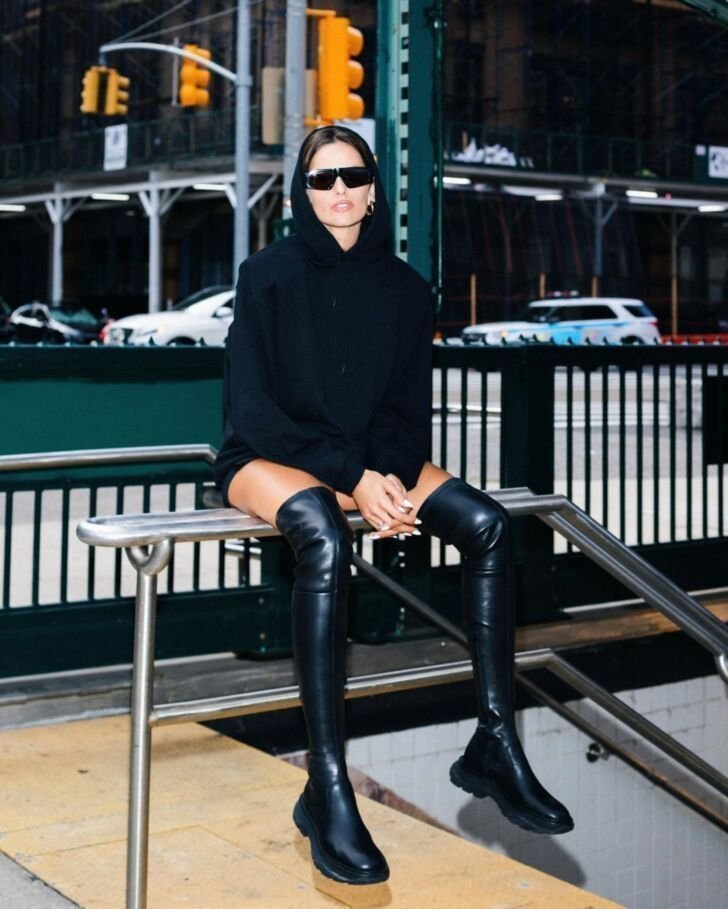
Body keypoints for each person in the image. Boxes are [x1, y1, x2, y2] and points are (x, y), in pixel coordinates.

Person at [214, 125, 573, 886]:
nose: (339, 190)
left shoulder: (407, 290)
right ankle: (327, 781)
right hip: (267, 455)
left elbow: (407, 415)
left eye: (352, 176)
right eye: (322, 179)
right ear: (302, 194)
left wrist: (379, 471)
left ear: (374, 188)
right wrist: (355, 478)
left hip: (366, 455)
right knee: (321, 532)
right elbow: (254, 413)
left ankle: (494, 741)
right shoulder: (266, 276)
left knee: (488, 525)